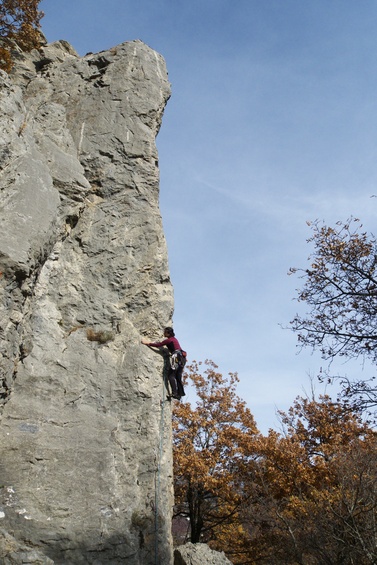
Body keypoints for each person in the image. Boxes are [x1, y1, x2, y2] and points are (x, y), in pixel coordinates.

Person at [142, 327, 186, 400]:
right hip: (182, 358)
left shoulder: (169, 340)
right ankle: (179, 394)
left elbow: (158, 345)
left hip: (176, 357)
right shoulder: (174, 340)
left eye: (165, 332)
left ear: (168, 333)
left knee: (171, 375)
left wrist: (147, 343)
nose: (163, 333)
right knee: (178, 376)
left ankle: (175, 393)